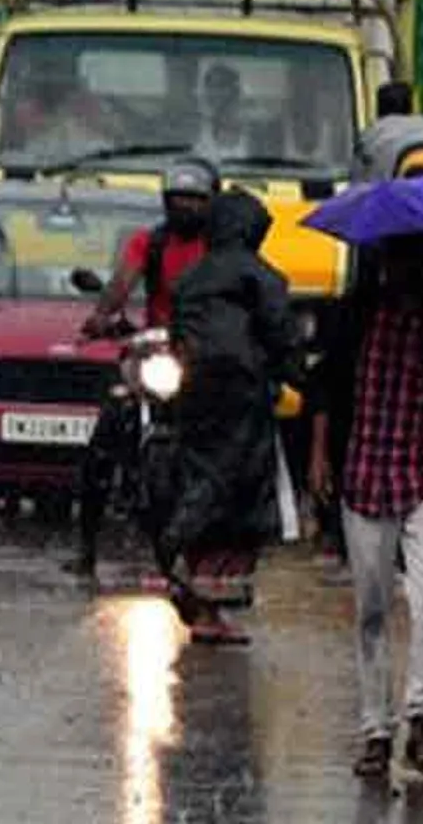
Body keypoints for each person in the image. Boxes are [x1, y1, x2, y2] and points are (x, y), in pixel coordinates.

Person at [309, 234, 423, 779]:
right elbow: (327, 389)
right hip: (364, 470)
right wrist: (318, 457)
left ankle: (421, 721)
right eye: (391, 257)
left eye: (409, 258)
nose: (399, 268)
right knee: (373, 610)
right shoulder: (352, 313)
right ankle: (376, 731)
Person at [66, 158, 221, 578]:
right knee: (106, 435)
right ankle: (86, 549)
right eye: (178, 200)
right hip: (157, 352)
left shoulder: (221, 249)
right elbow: (121, 285)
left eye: (195, 200)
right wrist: (102, 317)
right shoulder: (148, 243)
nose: (185, 208)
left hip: (206, 357)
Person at [158, 191, 302, 644]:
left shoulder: (187, 279)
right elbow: (283, 340)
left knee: (202, 481)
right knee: (240, 501)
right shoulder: (264, 279)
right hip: (245, 404)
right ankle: (206, 591)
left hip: (194, 401)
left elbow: (177, 335)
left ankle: (195, 585)